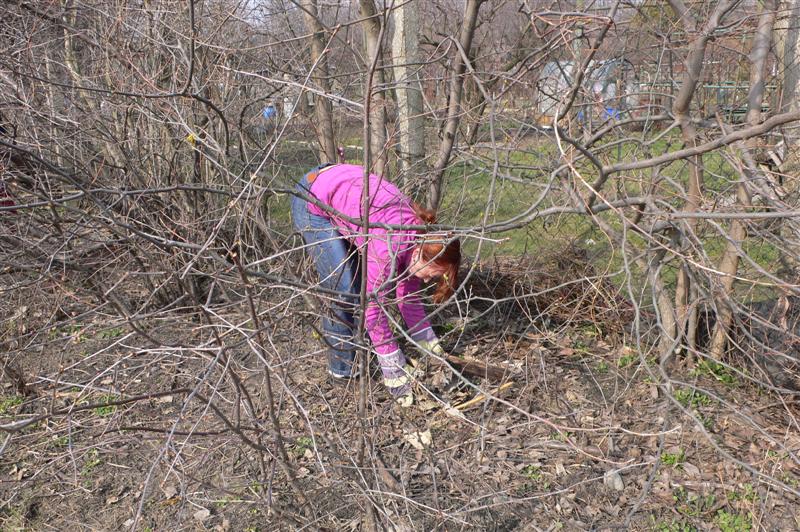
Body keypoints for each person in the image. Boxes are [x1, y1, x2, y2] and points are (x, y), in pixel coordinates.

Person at [291, 163, 460, 406]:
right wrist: (393, 369)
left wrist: (434, 353)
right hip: (314, 195)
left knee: (358, 281)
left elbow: (408, 299)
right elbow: (372, 309)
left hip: (345, 189)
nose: (427, 281)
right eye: (431, 275)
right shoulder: (387, 245)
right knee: (346, 289)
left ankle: (357, 352)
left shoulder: (416, 238)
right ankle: (342, 371)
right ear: (422, 254)